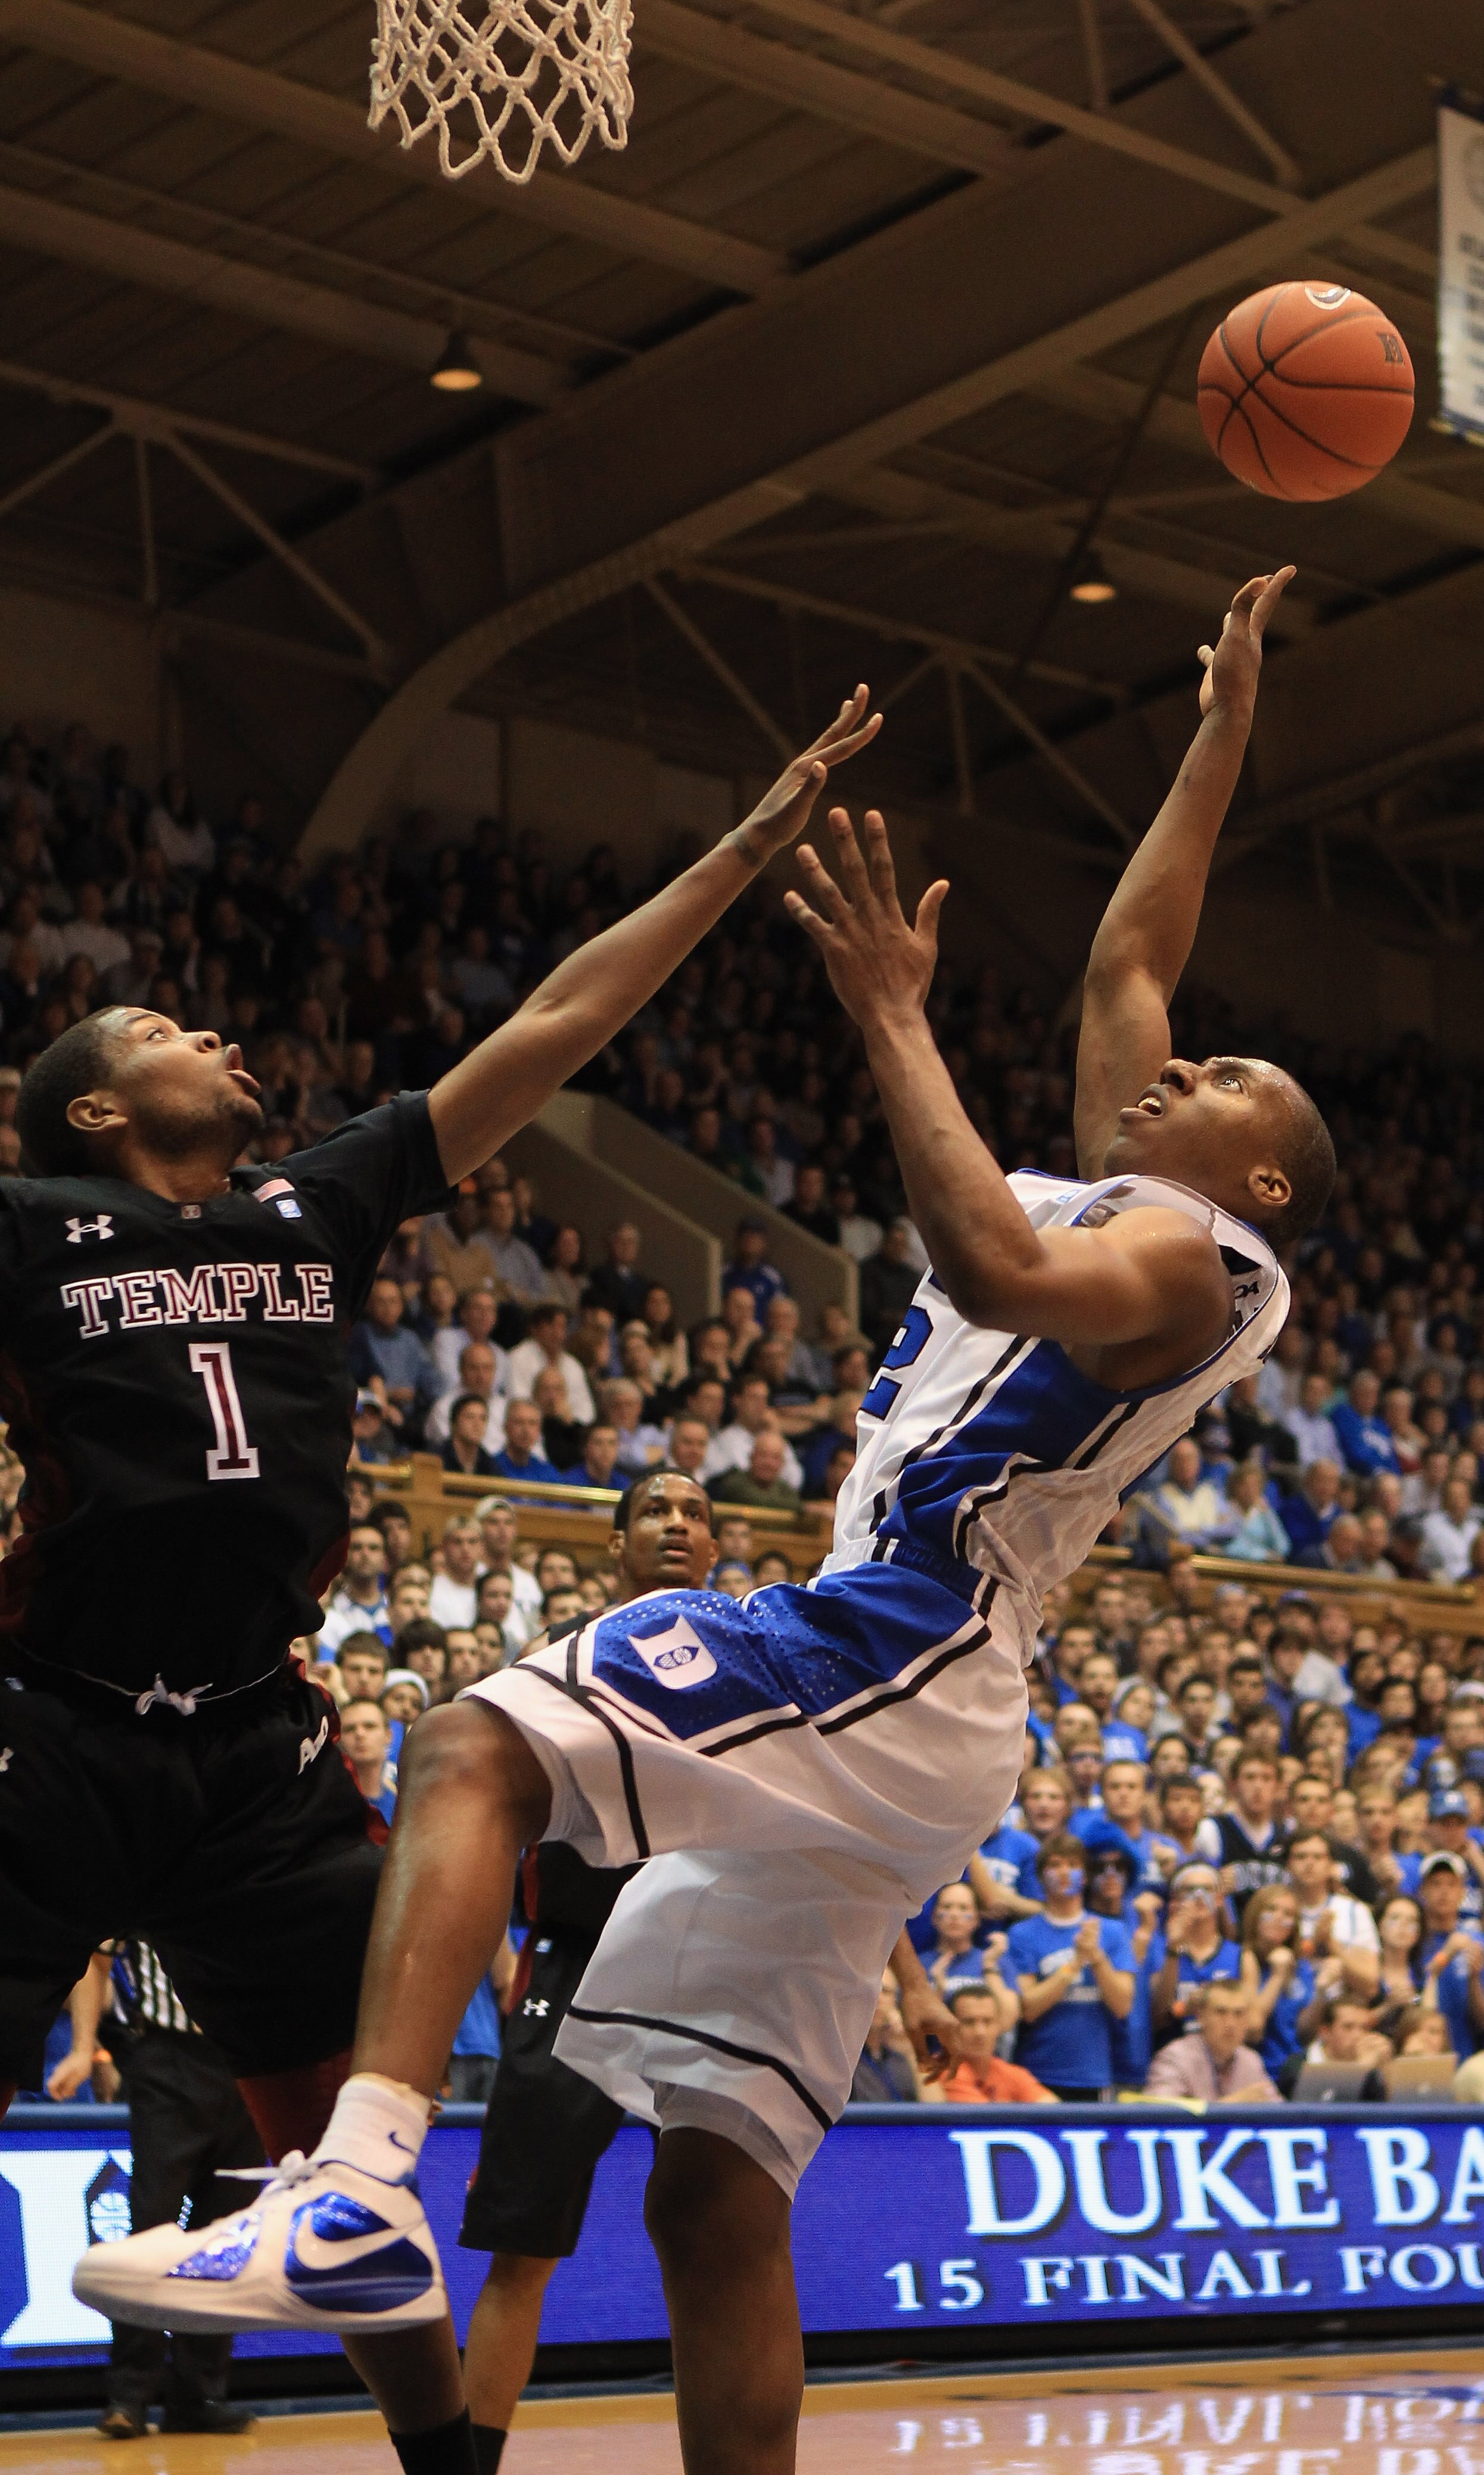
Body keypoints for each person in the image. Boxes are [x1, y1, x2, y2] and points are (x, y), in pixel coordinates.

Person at [125, 585, 1329, 2465]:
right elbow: (1123, 967)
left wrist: (886, 1017)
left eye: (1227, 1080)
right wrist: (1221, 723)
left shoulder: (1200, 1245)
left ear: (1257, 1171)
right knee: (712, 2195)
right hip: (918, 1710)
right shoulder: (1142, 1184)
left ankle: (356, 2186)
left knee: (469, 1738)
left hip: (898, 1642)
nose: (1182, 1061)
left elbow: (995, 1267)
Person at [41, 686, 884, 2475]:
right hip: (53, 1727)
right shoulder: (27, 1230)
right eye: (170, 1022)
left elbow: (565, 1015)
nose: (219, 1033)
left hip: (261, 1751)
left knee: (349, 2177)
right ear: (101, 1100)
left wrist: (742, 841)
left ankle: (449, 2466)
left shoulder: (309, 1201)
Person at [64, 1945, 263, 2439]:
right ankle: (128, 2397)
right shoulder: (151, 1877)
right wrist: (83, 2046)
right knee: (152, 2225)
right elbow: (97, 1957)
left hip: (251, 2063)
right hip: (168, 2059)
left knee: (225, 2238)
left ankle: (199, 2398)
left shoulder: (265, 1883)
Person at [1005, 1835, 1135, 2100]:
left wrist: (1096, 1957)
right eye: (1055, 1865)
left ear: (1085, 1877)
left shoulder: (1112, 1932)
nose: (1065, 1872)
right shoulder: (1023, 1934)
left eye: (1073, 1865)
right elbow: (1028, 2008)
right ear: (1041, 1878)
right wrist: (1075, 1963)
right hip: (1037, 2071)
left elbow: (1123, 2005)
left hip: (1093, 2072)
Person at [1141, 1977, 1279, 2104]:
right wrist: (1233, 2104)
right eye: (1221, 2012)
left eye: (1239, 2014)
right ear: (1201, 2017)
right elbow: (1160, 2116)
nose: (1230, 2023)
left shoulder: (1251, 2061)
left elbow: (1279, 2115)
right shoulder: (1175, 2057)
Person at [924, 1988, 1051, 2104]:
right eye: (969, 2022)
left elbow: (1055, 2111)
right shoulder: (941, 2070)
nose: (980, 2032)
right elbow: (985, 2120)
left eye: (988, 2022)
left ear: (999, 2026)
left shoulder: (1010, 2073)